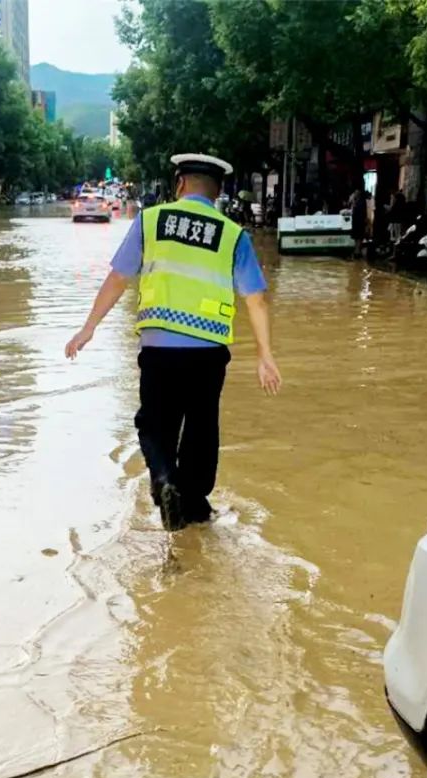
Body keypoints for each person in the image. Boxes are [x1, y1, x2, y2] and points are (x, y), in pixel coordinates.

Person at [65, 153, 281, 532]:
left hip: (159, 347)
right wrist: (265, 355)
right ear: (218, 192)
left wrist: (89, 327)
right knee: (201, 429)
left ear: (180, 183)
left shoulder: (150, 221)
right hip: (209, 352)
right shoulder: (233, 234)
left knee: (155, 425)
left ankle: (164, 479)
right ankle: (195, 507)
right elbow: (256, 299)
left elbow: (118, 278)